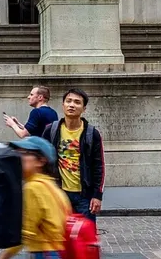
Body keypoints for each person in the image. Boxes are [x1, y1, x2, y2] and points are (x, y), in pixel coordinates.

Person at [42, 88, 104, 219]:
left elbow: (99, 166)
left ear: (84, 108)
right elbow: (42, 160)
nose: (72, 105)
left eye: (77, 102)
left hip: (84, 196)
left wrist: (97, 196)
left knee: (85, 236)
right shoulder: (51, 130)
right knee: (59, 236)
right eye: (68, 101)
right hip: (59, 194)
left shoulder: (92, 134)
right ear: (63, 105)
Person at [6, 134, 70, 259]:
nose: (19, 157)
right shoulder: (51, 185)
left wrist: (4, 256)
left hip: (44, 254)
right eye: (17, 153)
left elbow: (26, 233)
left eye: (24, 153)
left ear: (41, 161)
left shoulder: (32, 188)